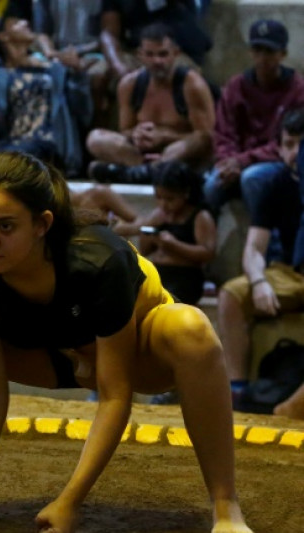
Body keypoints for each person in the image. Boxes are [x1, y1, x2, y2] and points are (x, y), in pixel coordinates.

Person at [0, 150, 254, 533]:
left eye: (5, 226)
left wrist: (70, 500)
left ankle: (225, 504)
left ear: (42, 224)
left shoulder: (101, 260)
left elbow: (115, 394)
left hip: (138, 358)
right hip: (47, 354)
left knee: (191, 327)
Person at [216, 108, 304, 407]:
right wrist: (258, 281)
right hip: (289, 273)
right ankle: (237, 391)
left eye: (301, 145)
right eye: (289, 144)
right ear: (279, 147)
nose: (295, 153)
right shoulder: (275, 184)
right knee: (232, 293)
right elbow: (254, 247)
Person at [0, 15, 92, 178]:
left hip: (48, 150)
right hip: (10, 147)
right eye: (16, 23)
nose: (26, 22)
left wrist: (78, 74)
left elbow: (83, 114)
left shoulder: (57, 71)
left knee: (23, 154)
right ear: (3, 36)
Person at [86, 23, 215, 184]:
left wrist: (164, 136)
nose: (157, 61)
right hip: (139, 154)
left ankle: (137, 172)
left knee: (193, 143)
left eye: (163, 54)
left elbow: (206, 137)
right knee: (95, 138)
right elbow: (125, 130)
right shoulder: (129, 84)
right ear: (140, 55)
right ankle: (148, 170)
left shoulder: (191, 84)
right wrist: (136, 134)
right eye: (150, 54)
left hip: (177, 153)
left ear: (175, 54)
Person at [204, 19, 304, 215]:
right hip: (237, 162)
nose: (262, 58)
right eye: (257, 50)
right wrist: (228, 161)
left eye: (269, 52)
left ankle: (268, 241)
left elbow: (291, 144)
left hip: (277, 161)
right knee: (210, 186)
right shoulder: (236, 86)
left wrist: (242, 161)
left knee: (252, 179)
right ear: (250, 52)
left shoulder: (297, 90)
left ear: (282, 54)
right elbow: (223, 133)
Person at [136, 161, 215, 306]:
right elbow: (145, 250)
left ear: (185, 193)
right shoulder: (158, 215)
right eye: (159, 198)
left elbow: (207, 253)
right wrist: (151, 227)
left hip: (184, 277)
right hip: (157, 273)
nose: (163, 204)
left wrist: (174, 245)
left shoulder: (200, 216)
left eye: (170, 199)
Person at [98, 0, 211, 78]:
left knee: (169, 76)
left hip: (176, 51)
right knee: (98, 75)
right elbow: (109, 33)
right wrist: (117, 65)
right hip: (137, 51)